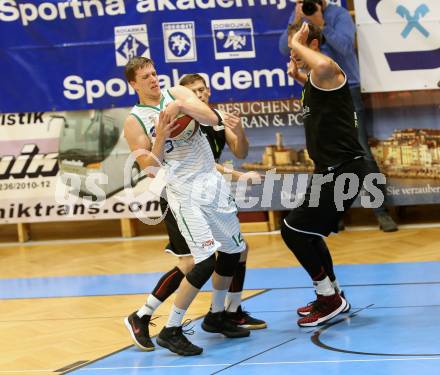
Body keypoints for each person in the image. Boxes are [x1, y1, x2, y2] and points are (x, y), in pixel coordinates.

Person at [124, 73, 266, 353]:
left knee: (234, 251)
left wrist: (234, 133)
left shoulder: (197, 108)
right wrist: (162, 136)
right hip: (177, 192)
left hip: (210, 187)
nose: (199, 95)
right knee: (194, 264)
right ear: (134, 84)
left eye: (154, 73)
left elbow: (233, 144)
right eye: (145, 76)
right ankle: (155, 320)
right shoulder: (139, 119)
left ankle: (219, 314)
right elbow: (150, 168)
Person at [279, 0, 398, 232]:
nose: (306, 4)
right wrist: (295, 21)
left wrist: (321, 24)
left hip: (346, 90)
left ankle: (381, 212)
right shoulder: (298, 18)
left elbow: (344, 47)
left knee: (361, 152)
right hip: (319, 91)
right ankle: (333, 214)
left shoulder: (339, 14)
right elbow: (285, 48)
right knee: (325, 153)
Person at [281, 22, 370, 326]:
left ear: (312, 45)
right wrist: (298, 75)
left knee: (293, 231)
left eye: (296, 50)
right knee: (307, 233)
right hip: (328, 171)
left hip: (344, 170)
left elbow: (320, 63)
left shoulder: (327, 67)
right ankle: (331, 294)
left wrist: (298, 42)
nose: (294, 55)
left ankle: (329, 298)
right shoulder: (314, 80)